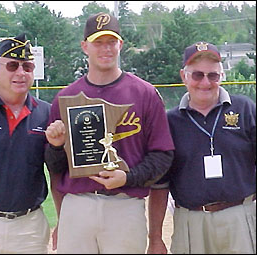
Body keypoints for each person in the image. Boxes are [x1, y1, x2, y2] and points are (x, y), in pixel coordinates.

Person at [45, 12, 175, 254]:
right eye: (98, 42)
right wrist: (55, 146)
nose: (105, 49)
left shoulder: (145, 94)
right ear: (85, 46)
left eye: (111, 42)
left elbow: (162, 155)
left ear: (120, 45)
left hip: (125, 205)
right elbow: (56, 168)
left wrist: (128, 177)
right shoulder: (65, 98)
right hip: (78, 204)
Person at [147, 42, 256, 254]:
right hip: (191, 223)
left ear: (222, 75)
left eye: (212, 75)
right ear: (183, 76)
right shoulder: (170, 122)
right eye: (197, 75)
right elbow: (160, 186)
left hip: (241, 217)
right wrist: (155, 238)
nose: (205, 82)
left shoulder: (244, 109)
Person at [0, 33, 51, 254]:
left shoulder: (47, 113)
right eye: (12, 65)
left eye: (27, 66)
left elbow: (58, 170)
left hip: (30, 227)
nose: (20, 73)